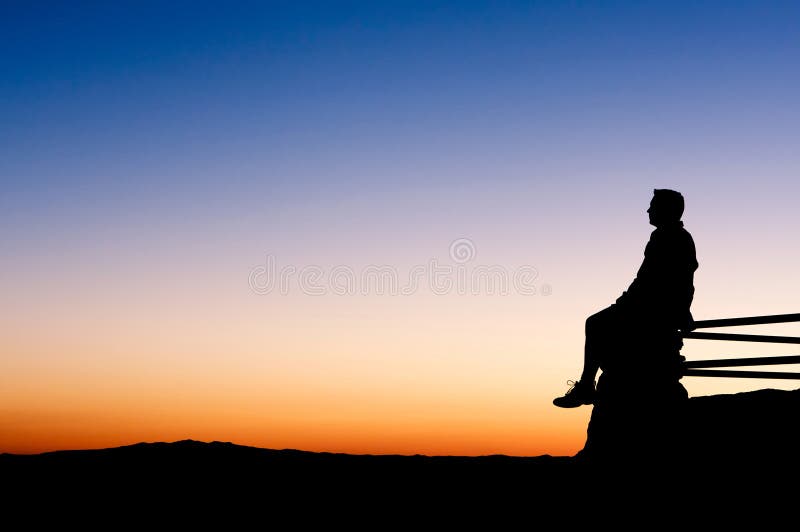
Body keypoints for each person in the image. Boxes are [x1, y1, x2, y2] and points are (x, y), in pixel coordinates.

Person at [553, 189, 698, 408]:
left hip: (651, 309)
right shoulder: (674, 237)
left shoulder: (668, 238)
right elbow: (680, 281)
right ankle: (588, 384)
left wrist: (626, 304)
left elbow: (651, 281)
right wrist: (683, 308)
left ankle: (585, 386)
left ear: (666, 210)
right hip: (656, 306)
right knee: (600, 325)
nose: (648, 210)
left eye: (653, 205)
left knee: (594, 324)